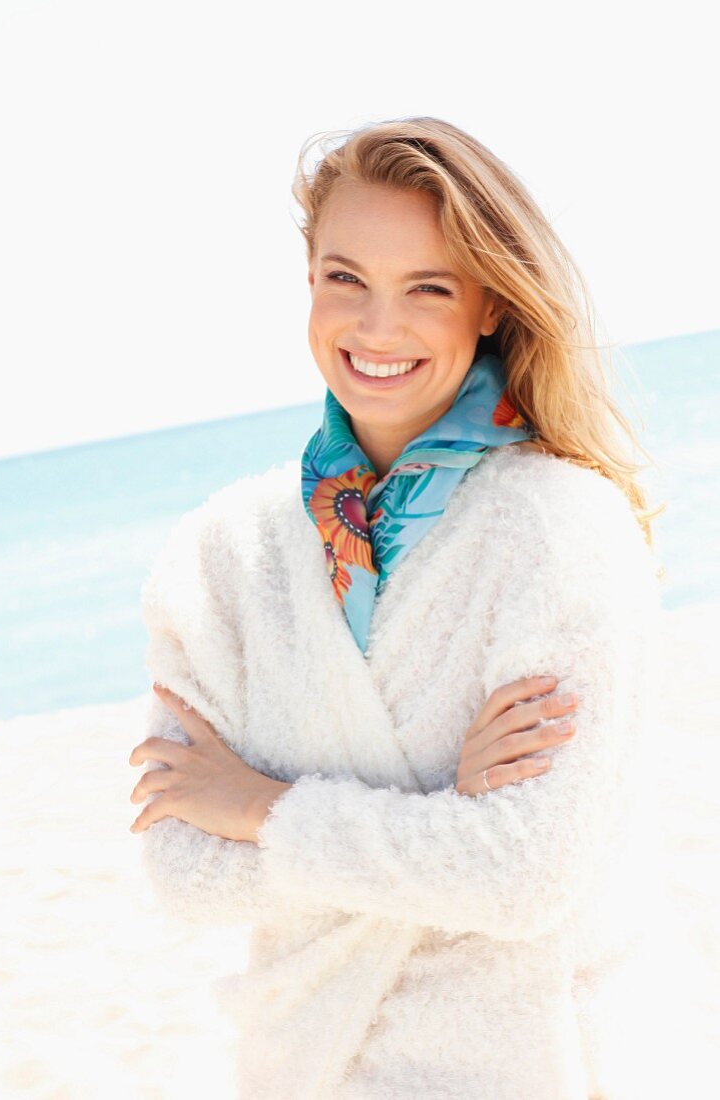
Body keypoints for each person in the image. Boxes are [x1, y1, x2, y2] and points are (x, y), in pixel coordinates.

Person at [127, 117, 668, 1099]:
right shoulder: (223, 553)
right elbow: (180, 866)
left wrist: (258, 805)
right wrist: (438, 818)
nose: (375, 328)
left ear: (491, 304)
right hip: (294, 1073)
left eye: (426, 287)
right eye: (345, 278)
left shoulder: (560, 528)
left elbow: (520, 875)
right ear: (308, 283)